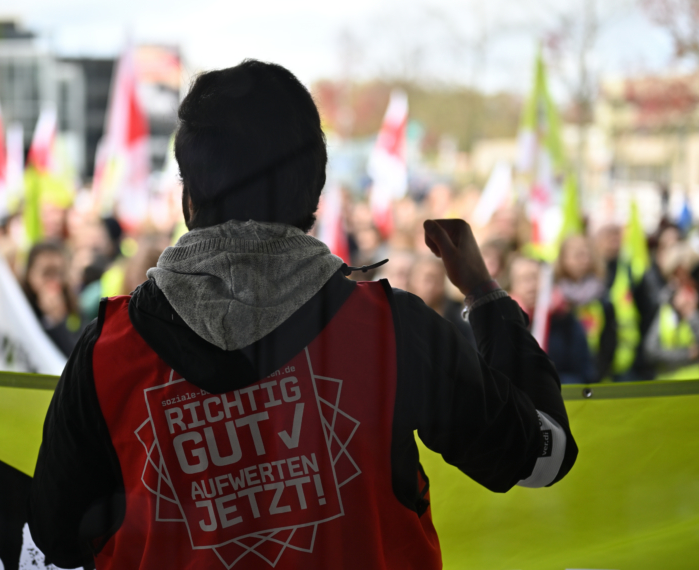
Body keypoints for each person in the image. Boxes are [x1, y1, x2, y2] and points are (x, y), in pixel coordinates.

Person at [29, 60, 577, 570]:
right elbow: (542, 457)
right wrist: (482, 294)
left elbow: (56, 536)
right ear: (314, 190)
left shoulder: (108, 350)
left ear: (188, 196)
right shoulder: (390, 333)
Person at [509, 255, 597, 385]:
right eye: (523, 279)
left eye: (535, 278)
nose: (531, 286)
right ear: (513, 286)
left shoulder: (565, 320)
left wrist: (549, 383)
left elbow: (584, 373)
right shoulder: (505, 323)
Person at [555, 235, 618, 381]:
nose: (584, 260)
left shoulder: (602, 297)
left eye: (587, 255)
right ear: (563, 259)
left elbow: (609, 342)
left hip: (595, 375)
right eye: (578, 255)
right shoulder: (555, 300)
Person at [643, 245, 699, 380]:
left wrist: (691, 314)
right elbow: (651, 350)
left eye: (683, 276)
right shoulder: (666, 303)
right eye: (674, 276)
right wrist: (687, 354)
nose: (678, 282)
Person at [22, 241, 82, 356]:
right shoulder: (20, 307)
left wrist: (57, 322)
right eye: (47, 273)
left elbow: (76, 354)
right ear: (29, 274)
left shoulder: (74, 308)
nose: (54, 281)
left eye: (60, 273)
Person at [408, 255, 475, 345]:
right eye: (427, 279)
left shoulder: (458, 324)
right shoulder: (399, 318)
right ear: (412, 280)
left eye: (438, 280)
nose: (432, 286)